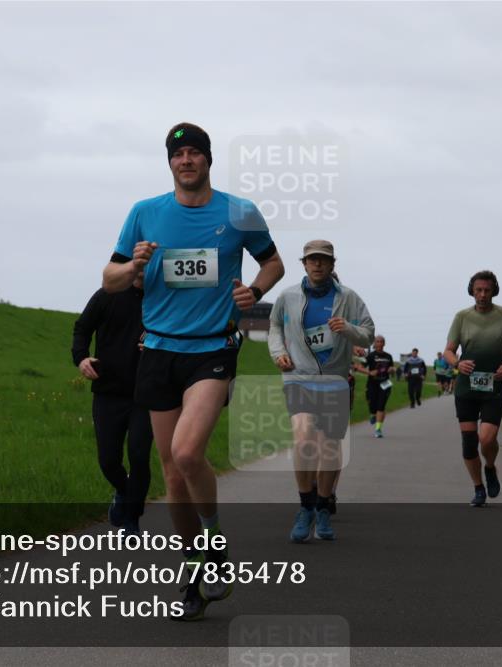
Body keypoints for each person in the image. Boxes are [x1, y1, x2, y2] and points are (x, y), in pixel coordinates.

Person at [102, 122, 285, 620]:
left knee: (187, 453)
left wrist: (256, 292)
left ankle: (215, 543)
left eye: (195, 153)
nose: (187, 161)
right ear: (170, 163)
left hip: (213, 348)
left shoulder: (238, 212)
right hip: (158, 350)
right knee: (172, 474)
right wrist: (133, 267)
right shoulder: (145, 214)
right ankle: (194, 570)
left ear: (208, 160)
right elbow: (110, 279)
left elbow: (273, 264)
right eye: (178, 154)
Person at [268, 240, 374, 542]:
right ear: (304, 263)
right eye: (312, 260)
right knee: (303, 440)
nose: (317, 265)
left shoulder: (349, 298)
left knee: (329, 447)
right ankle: (306, 507)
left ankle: (324, 506)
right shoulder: (288, 296)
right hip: (298, 378)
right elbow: (275, 326)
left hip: (334, 381)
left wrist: (349, 330)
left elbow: (368, 333)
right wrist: (278, 353)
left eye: (323, 260)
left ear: (332, 265)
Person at [71, 276, 152, 535]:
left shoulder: (164, 300)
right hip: (108, 391)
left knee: (139, 456)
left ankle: (132, 520)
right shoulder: (107, 295)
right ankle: (123, 491)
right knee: (108, 460)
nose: (143, 270)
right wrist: (81, 358)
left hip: (147, 393)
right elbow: (82, 328)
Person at [443, 270, 502, 507]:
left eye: (487, 290)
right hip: (467, 387)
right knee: (469, 443)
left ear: (494, 291)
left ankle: (490, 467)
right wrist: (458, 362)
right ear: (472, 291)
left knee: (486, 439)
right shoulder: (462, 317)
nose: (482, 295)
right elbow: (448, 351)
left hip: (494, 386)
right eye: (478, 290)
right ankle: (478, 488)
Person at [364, 336, 395, 438]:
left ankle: (378, 429)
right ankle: (373, 414)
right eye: (377, 341)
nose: (380, 343)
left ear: (384, 343)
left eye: (381, 342)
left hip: (385, 383)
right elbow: (360, 367)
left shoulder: (388, 356)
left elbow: (391, 367)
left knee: (381, 406)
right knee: (372, 404)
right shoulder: (370, 356)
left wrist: (392, 369)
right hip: (372, 383)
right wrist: (369, 372)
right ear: (375, 343)